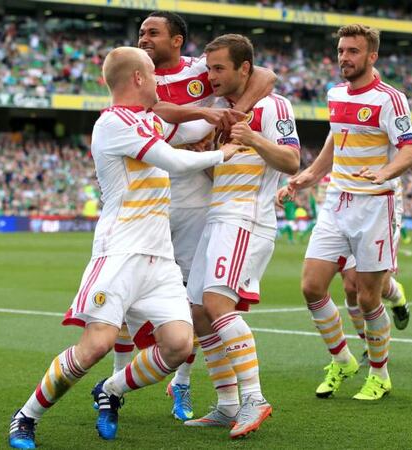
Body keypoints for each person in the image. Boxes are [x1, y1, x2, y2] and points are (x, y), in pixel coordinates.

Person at [7, 47, 241, 449]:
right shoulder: (113, 123)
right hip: (120, 251)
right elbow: (174, 159)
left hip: (159, 256)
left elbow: (183, 133)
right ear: (137, 78)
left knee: (179, 345)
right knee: (96, 344)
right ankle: (26, 416)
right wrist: (227, 151)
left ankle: (111, 389)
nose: (157, 81)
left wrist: (219, 116)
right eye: (151, 74)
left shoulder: (147, 120)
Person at [96, 11, 276, 422]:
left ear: (177, 41)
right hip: (147, 207)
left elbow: (264, 74)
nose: (143, 38)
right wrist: (206, 114)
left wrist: (234, 115)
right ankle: (115, 386)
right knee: (121, 302)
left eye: (152, 32)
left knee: (192, 305)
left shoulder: (199, 71)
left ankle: (183, 385)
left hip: (195, 204)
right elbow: (160, 109)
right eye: (140, 31)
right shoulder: (137, 83)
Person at [283, 24, 412, 401]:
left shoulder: (391, 99)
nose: (344, 57)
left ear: (371, 56)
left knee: (366, 298)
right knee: (311, 285)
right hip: (337, 201)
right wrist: (307, 176)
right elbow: (335, 139)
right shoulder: (334, 94)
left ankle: (380, 374)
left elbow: (409, 151)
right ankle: (343, 359)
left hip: (376, 204)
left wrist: (384, 171)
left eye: (353, 51)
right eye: (342, 50)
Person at [183, 34, 300, 439]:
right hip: (218, 218)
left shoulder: (273, 106)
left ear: (243, 69)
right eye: (210, 67)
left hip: (246, 220)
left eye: (220, 69)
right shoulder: (220, 112)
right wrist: (202, 158)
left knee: (216, 302)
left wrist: (253, 138)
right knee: (198, 312)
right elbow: (222, 172)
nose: (212, 76)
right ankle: (227, 403)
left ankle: (255, 398)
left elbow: (291, 159)